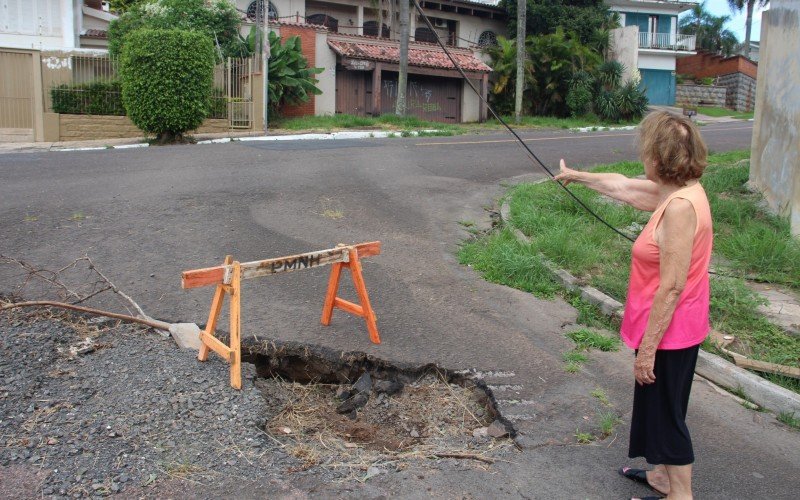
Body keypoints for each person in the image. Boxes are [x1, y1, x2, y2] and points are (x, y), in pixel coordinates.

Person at [555, 111, 712, 500]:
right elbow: (624, 187)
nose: (643, 158)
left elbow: (673, 286)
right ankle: (661, 476)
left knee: (668, 416)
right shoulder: (681, 190)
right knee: (661, 409)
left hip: (670, 334)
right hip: (674, 328)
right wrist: (578, 176)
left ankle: (681, 495)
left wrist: (648, 351)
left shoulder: (678, 208)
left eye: (647, 151)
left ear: (658, 158)